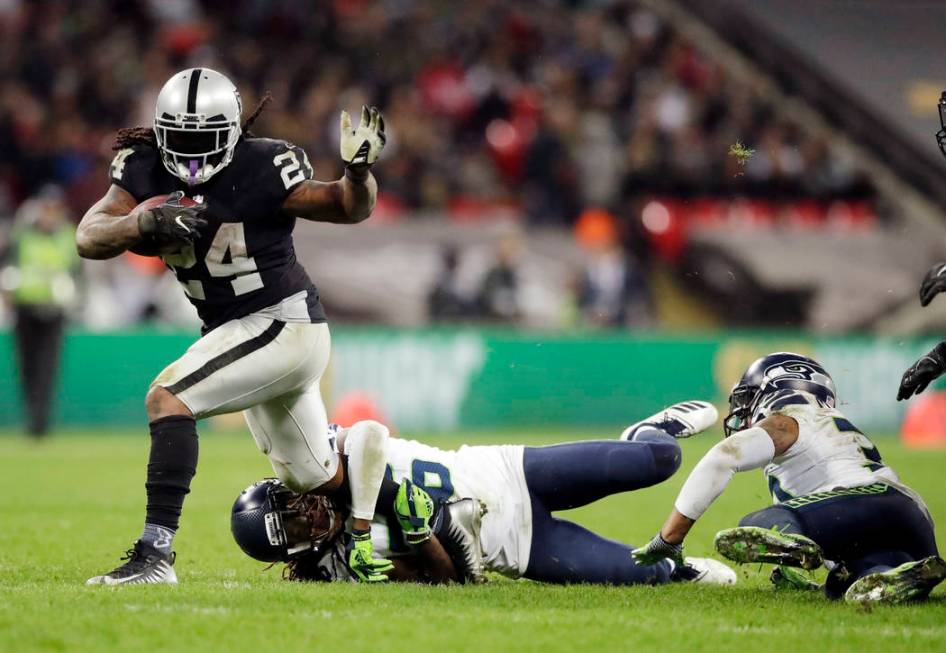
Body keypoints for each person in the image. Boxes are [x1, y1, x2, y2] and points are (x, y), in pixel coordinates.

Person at [77, 68, 392, 585]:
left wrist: (357, 175)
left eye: (204, 141)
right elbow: (89, 236)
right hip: (242, 330)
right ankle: (410, 503)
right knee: (310, 473)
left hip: (282, 322)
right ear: (159, 132)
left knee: (169, 397)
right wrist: (142, 222)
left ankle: (155, 555)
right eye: (179, 140)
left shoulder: (263, 165)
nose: (191, 156)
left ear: (232, 133)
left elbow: (346, 206)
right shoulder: (143, 169)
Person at [231, 402, 738, 586]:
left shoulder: (320, 467)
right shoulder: (337, 565)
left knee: (660, 460)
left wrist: (368, 512)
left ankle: (647, 430)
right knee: (646, 575)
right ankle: (681, 568)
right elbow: (445, 578)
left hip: (505, 471)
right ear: (294, 551)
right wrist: (420, 532)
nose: (311, 515)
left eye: (296, 505)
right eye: (297, 527)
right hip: (512, 546)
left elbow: (369, 436)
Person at [634, 352, 945, 603]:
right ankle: (901, 572)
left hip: (856, 504)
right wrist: (789, 571)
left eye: (749, 397)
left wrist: (669, 539)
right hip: (910, 517)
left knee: (757, 523)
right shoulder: (832, 421)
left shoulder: (787, 420)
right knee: (848, 586)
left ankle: (797, 544)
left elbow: (722, 458)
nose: (743, 408)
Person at [0, 187, 78, 436]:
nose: (49, 215)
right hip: (25, 307)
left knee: (47, 367)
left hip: (54, 310)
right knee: (26, 366)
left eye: (53, 210)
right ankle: (32, 418)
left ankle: (40, 422)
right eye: (46, 209)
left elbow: (78, 272)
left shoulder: (68, 235)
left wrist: (73, 295)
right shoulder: (22, 235)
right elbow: (9, 266)